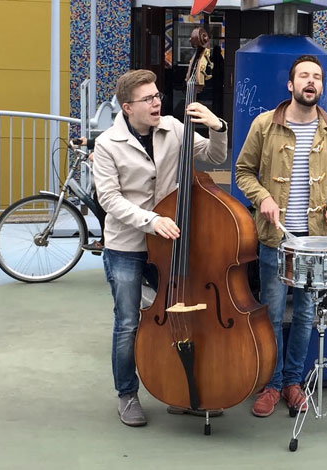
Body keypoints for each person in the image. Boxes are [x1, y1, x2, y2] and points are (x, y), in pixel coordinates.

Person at [92, 69, 229, 427]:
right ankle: (127, 394)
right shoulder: (107, 144)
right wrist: (150, 221)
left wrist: (218, 127)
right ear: (127, 107)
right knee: (127, 322)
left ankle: (182, 388)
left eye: (157, 96)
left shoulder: (174, 128)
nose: (157, 103)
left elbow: (214, 157)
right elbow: (109, 199)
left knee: (183, 313)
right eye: (148, 99)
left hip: (170, 246)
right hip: (128, 244)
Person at [235, 55, 327, 417]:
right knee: (271, 312)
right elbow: (243, 171)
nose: (311, 82)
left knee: (304, 315)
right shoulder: (265, 124)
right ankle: (270, 385)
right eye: (304, 75)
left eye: (317, 76)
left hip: (313, 241)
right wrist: (264, 197)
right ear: (290, 85)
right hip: (275, 238)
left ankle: (293, 383)